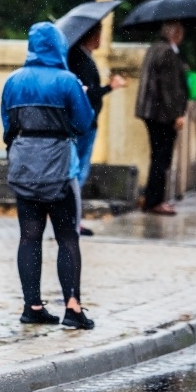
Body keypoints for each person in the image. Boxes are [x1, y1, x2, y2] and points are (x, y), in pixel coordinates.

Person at [0, 22, 95, 329]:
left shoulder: (13, 81)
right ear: (58, 46)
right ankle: (72, 308)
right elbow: (83, 123)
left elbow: (7, 128)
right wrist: (81, 97)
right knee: (67, 237)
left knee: (29, 236)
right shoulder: (67, 81)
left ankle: (33, 306)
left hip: (24, 169)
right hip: (59, 170)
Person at [67, 23, 127, 235]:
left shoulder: (80, 57)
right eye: (99, 33)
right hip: (84, 125)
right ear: (91, 35)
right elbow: (87, 95)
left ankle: (72, 220)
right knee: (78, 173)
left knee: (75, 172)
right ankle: (73, 221)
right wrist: (110, 87)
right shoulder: (81, 59)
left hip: (82, 123)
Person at [135, 21, 188, 216]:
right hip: (161, 115)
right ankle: (155, 201)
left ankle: (152, 199)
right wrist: (177, 114)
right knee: (162, 158)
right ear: (176, 33)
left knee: (157, 156)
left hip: (150, 112)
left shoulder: (155, 48)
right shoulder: (167, 52)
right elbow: (169, 88)